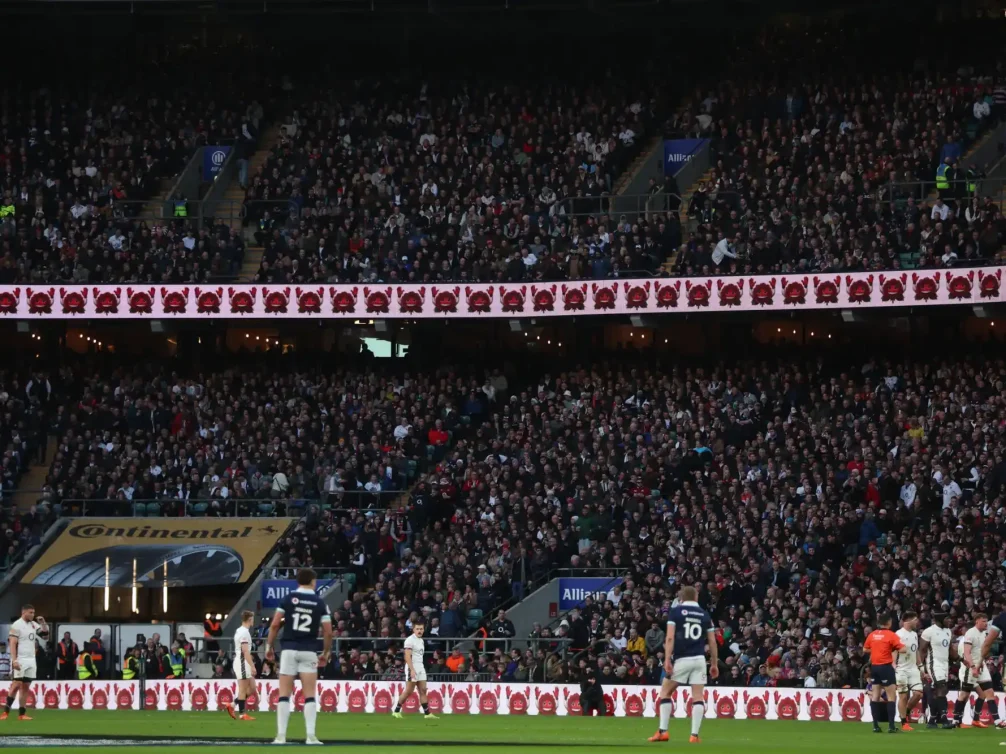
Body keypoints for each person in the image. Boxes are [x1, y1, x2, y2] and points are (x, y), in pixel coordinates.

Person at [265, 568, 333, 745]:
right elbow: (328, 632)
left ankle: (281, 736)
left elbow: (274, 624)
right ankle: (310, 736)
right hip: (309, 651)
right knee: (310, 695)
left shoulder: (288, 599)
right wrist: (325, 652)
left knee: (284, 695)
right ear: (312, 581)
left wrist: (269, 646)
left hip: (288, 650)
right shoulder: (320, 603)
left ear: (298, 581)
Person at [648, 586, 718, 744]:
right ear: (696, 597)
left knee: (665, 692)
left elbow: (670, 638)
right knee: (698, 697)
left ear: (681, 597)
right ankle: (694, 735)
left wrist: (667, 659)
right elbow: (712, 641)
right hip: (700, 659)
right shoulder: (704, 614)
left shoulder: (676, 612)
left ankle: (663, 732)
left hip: (682, 659)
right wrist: (714, 664)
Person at [956, 612, 1003, 728]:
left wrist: (983, 661)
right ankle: (956, 720)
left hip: (981, 667)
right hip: (969, 668)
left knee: (989, 692)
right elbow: (967, 652)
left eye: (987, 621)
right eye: (983, 621)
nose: (986, 623)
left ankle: (997, 720)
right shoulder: (970, 633)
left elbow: (981, 650)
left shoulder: (984, 634)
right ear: (977, 621)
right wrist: (972, 667)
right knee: (964, 695)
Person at [2, 604, 48, 721]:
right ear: (24, 612)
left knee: (26, 686)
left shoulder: (33, 624)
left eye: (33, 612)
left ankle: (21, 714)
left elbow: (45, 637)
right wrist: (14, 660)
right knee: (16, 685)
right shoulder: (17, 625)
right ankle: (6, 712)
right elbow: (12, 643)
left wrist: (43, 623)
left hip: (31, 659)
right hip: (20, 658)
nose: (33, 615)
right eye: (31, 612)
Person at [864, 613, 903, 733]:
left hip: (874, 667)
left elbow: (865, 649)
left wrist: (876, 649)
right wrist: (889, 649)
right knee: (891, 696)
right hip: (886, 667)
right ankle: (891, 726)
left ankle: (875, 725)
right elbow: (903, 649)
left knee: (875, 696)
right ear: (889, 623)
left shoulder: (872, 634)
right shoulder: (891, 635)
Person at [392, 617, 436, 719]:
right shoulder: (409, 640)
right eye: (417, 629)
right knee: (408, 691)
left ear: (424, 629)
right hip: (413, 667)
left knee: (423, 690)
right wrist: (411, 669)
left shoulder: (421, 641)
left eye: (421, 629)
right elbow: (407, 656)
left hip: (420, 666)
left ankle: (427, 714)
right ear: (413, 629)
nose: (419, 631)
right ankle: (396, 710)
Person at [919, 613, 954, 728]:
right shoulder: (929, 631)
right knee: (941, 688)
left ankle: (932, 720)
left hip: (944, 664)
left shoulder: (948, 631)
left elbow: (950, 649)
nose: (949, 620)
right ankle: (944, 719)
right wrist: (921, 668)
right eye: (947, 618)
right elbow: (922, 650)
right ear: (940, 620)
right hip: (933, 664)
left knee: (937, 692)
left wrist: (961, 659)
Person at [225, 611, 257, 721]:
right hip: (243, 662)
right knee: (243, 689)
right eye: (252, 619)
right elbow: (245, 651)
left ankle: (233, 704)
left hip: (243, 662)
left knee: (252, 688)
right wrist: (252, 665)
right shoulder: (244, 633)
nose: (253, 621)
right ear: (249, 619)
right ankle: (242, 714)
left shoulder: (240, 630)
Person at [894, 611, 923, 731]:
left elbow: (915, 651)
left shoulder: (915, 634)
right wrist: (893, 664)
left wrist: (921, 666)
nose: (917, 622)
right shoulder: (898, 634)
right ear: (908, 621)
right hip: (901, 668)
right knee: (903, 696)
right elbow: (894, 650)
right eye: (916, 620)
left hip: (913, 668)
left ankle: (905, 712)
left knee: (918, 693)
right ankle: (903, 722)